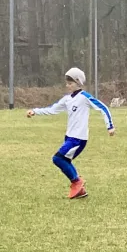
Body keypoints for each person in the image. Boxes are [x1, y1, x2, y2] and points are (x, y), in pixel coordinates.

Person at [26, 68, 115, 199]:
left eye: (70, 83)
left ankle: (77, 181)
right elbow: (52, 110)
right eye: (67, 83)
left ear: (78, 83)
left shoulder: (85, 97)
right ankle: (80, 190)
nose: (67, 85)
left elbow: (102, 107)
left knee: (58, 159)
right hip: (69, 137)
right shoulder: (67, 99)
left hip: (78, 139)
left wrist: (110, 126)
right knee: (65, 161)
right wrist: (35, 111)